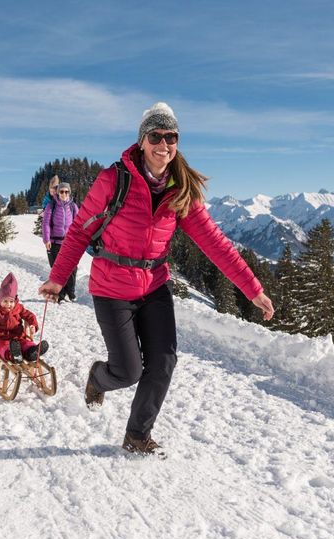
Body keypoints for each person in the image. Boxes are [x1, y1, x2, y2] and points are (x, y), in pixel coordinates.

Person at [38, 102, 274, 455]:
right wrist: (57, 279)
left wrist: (252, 289)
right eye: (156, 136)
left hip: (155, 286)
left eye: (171, 137)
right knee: (128, 370)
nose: (164, 144)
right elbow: (78, 234)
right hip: (111, 288)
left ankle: (137, 435)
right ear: (142, 140)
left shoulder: (180, 191)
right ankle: (98, 377)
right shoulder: (112, 181)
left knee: (163, 361)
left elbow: (215, 243)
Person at [0, 272, 49, 363]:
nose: (8, 304)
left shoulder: (18, 308)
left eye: (11, 301)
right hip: (2, 339)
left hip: (19, 337)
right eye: (5, 301)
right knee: (4, 348)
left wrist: (33, 324)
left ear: (15, 300)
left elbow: (29, 315)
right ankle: (13, 356)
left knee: (26, 344)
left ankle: (32, 352)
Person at [42, 181, 79, 302]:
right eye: (62, 191)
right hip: (55, 242)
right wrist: (47, 239)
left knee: (72, 268)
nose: (64, 194)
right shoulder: (51, 206)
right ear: (58, 193)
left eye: (66, 191)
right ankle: (61, 294)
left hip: (69, 243)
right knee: (58, 269)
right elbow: (46, 223)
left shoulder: (73, 207)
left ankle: (71, 292)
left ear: (69, 193)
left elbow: (78, 225)